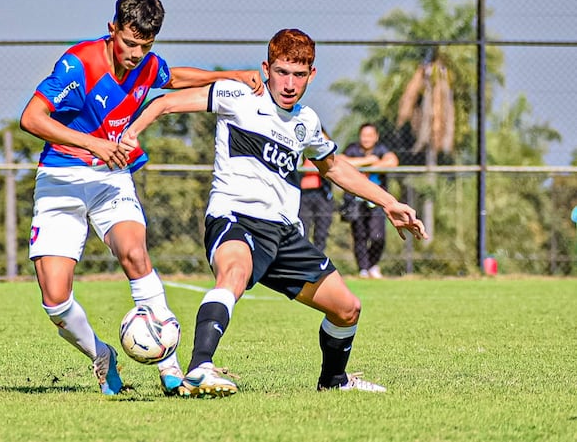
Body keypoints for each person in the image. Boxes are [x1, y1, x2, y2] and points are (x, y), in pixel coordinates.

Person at [120, 28, 428, 397]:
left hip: (283, 235)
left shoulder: (306, 122)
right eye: (282, 72)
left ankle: (334, 381)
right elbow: (164, 103)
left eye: (299, 74)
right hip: (235, 219)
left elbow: (334, 167)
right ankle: (200, 367)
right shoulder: (237, 96)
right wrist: (131, 132)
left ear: (311, 75)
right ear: (266, 68)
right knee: (233, 273)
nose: (289, 83)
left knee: (347, 308)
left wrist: (389, 202)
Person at [19, 0, 264, 396]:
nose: (134, 53)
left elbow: (173, 77)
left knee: (134, 252)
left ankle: (169, 366)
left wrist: (232, 75)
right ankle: (102, 356)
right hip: (61, 179)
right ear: (112, 29)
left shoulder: (145, 64)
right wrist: (94, 143)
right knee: (55, 300)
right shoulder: (77, 64)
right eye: (129, 43)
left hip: (110, 178)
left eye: (144, 45)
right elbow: (31, 117)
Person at [340, 123, 399, 279]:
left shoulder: (381, 149)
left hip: (376, 201)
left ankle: (373, 265)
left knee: (377, 236)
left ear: (376, 136)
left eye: (370, 135)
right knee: (359, 235)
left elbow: (392, 161)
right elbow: (340, 162)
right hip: (355, 201)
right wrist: (367, 161)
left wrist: (372, 164)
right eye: (364, 135)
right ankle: (363, 269)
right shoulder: (352, 149)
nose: (366, 138)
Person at [299, 154, 335, 253]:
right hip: (303, 195)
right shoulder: (299, 152)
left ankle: (318, 259)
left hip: (323, 194)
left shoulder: (324, 152)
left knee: (321, 233)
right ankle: (301, 259)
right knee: (302, 231)